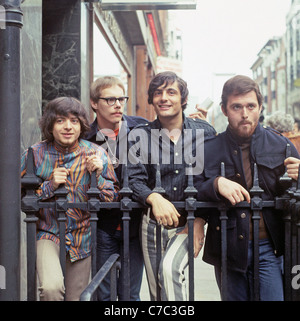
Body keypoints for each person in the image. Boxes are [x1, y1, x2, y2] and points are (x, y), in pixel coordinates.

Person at [195, 75, 300, 301]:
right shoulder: (208, 149)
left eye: (251, 106)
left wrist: (298, 177)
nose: (244, 114)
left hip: (269, 249)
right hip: (227, 248)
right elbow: (189, 190)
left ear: (260, 107)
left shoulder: (282, 145)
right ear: (224, 109)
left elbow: (294, 197)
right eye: (236, 107)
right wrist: (215, 183)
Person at [127, 71, 216, 301]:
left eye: (171, 92)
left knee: (170, 269)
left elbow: (211, 179)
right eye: (158, 93)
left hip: (188, 222)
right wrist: (155, 198)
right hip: (151, 225)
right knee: (158, 291)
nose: (164, 97)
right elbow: (133, 179)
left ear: (183, 99)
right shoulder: (139, 135)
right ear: (152, 99)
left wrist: (200, 219)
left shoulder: (204, 132)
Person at [21, 97, 119, 301]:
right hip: (48, 232)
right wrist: (50, 185)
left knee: (78, 298)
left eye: (74, 121)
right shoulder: (35, 154)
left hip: (82, 236)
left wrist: (98, 176)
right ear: (50, 124)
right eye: (60, 121)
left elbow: (112, 198)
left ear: (81, 125)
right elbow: (21, 199)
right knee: (51, 288)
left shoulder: (96, 153)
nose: (68, 127)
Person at [86, 76, 147, 301]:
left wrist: (201, 125)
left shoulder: (142, 128)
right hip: (102, 225)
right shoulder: (85, 137)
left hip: (136, 224)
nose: (118, 104)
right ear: (94, 103)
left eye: (121, 99)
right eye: (110, 99)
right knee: (103, 294)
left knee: (130, 295)